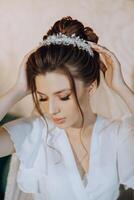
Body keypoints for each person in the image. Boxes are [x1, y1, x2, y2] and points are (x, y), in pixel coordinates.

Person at [0, 16, 134, 200]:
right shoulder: (35, 132)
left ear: (91, 87)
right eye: (43, 98)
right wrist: (17, 90)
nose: (52, 109)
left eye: (64, 97)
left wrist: (122, 88)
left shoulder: (116, 134)